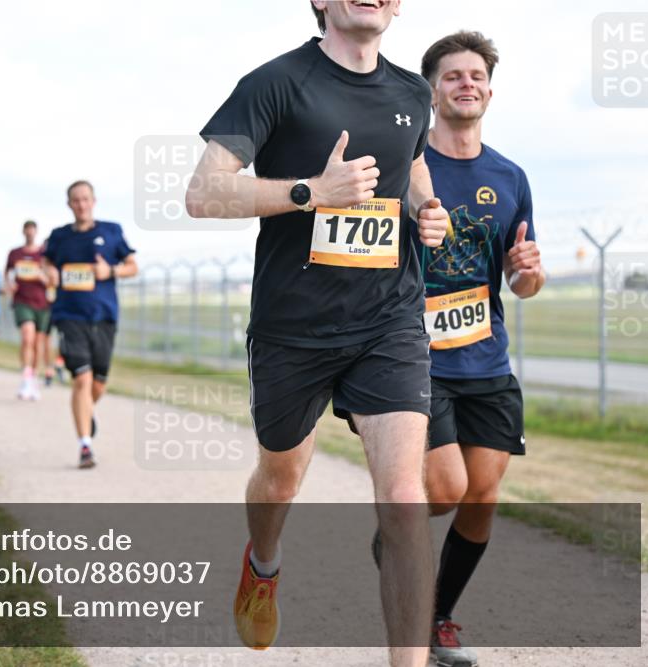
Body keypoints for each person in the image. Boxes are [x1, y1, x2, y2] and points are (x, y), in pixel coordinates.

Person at [186, 2, 450, 664]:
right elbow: (203, 193)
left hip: (388, 317)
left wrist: (428, 208)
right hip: (293, 326)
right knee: (280, 480)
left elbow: (411, 164)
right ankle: (263, 561)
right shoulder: (275, 83)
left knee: (403, 495)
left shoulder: (413, 92)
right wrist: (312, 191)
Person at [411, 31, 543, 667]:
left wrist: (527, 269)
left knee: (482, 496)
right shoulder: (411, 167)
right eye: (452, 75)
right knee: (444, 489)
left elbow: (524, 283)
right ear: (432, 91)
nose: (466, 83)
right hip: (416, 359)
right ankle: (397, 546)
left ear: (489, 88)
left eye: (476, 75)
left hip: (486, 358)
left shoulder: (510, 176)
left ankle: (437, 617)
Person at [42, 181, 138, 469]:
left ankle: (86, 411)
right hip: (69, 316)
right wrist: (49, 273)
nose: (81, 204)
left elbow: (133, 266)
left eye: (85, 199)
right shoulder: (59, 237)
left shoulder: (111, 231)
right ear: (69, 204)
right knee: (81, 379)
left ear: (93, 201)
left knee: (98, 384)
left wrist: (111, 270)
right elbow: (46, 263)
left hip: (104, 317)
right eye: (75, 200)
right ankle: (85, 445)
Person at [5, 220, 53, 399]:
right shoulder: (15, 253)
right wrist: (10, 284)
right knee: (27, 337)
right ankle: (25, 378)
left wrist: (44, 277)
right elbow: (8, 274)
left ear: (36, 232)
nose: (30, 234)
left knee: (38, 344)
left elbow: (53, 279)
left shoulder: (44, 254)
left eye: (33, 231)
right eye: (27, 231)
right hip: (22, 301)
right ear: (23, 232)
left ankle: (33, 379)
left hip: (42, 303)